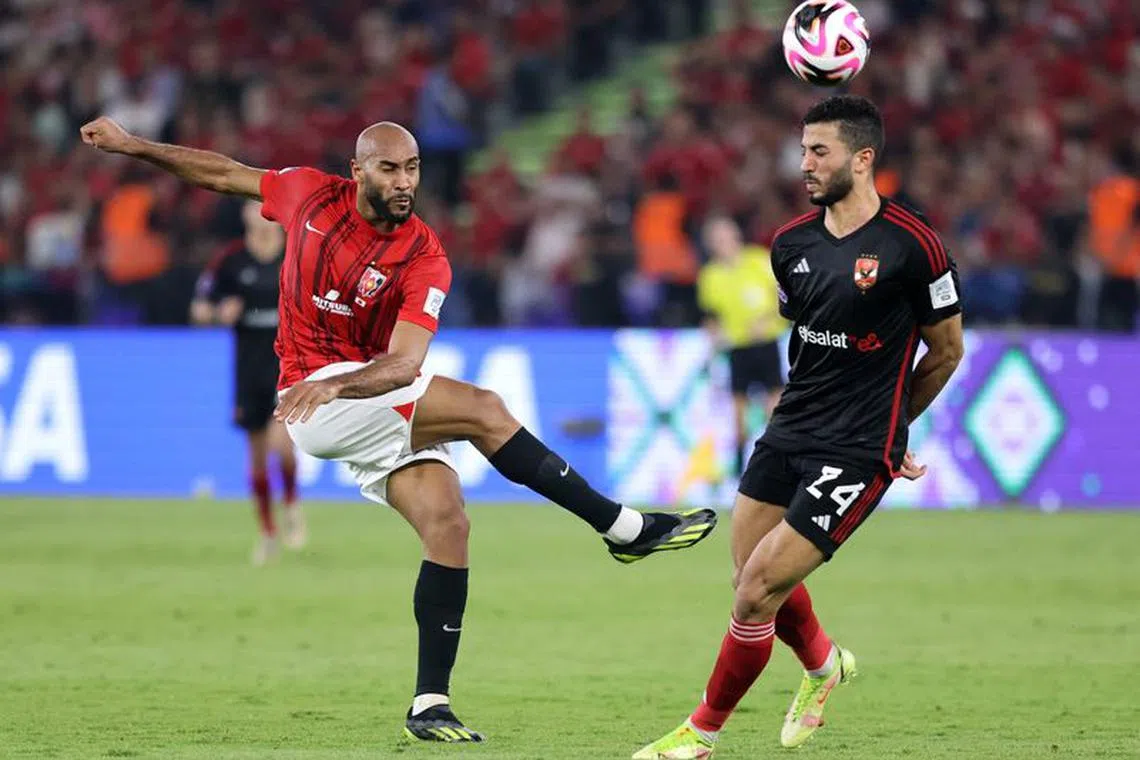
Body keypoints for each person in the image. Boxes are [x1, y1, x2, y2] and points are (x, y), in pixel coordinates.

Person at [80, 116, 718, 744]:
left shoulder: (424, 254)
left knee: (448, 521)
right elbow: (220, 173)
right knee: (485, 408)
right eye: (389, 168)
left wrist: (338, 384)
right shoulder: (305, 192)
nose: (404, 180)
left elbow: (407, 363)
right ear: (356, 171)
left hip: (356, 389)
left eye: (412, 167)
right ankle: (623, 527)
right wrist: (132, 145)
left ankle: (429, 702)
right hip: (314, 398)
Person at [632, 95, 964, 759]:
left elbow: (947, 350)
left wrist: (892, 430)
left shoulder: (914, 245)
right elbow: (808, 342)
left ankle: (700, 736)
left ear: (862, 159)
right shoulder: (790, 245)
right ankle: (822, 665)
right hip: (791, 429)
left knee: (757, 592)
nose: (804, 163)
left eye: (820, 151)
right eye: (803, 149)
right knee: (749, 576)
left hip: (858, 448)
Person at [190, 200, 305, 566]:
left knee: (280, 443)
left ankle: (290, 505)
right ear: (244, 217)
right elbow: (200, 307)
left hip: (286, 364)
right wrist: (217, 313)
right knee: (255, 454)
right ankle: (268, 533)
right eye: (254, 210)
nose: (261, 216)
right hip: (247, 366)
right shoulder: (230, 260)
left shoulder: (295, 255)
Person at [697, 215, 787, 479]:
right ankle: (738, 474)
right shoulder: (710, 275)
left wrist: (769, 319)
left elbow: (783, 296)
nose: (722, 243)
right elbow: (711, 314)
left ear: (735, 235)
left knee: (775, 407)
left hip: (766, 342)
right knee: (739, 416)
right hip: (737, 348)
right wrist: (713, 337)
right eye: (716, 239)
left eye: (725, 236)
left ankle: (777, 463)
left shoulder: (758, 260)